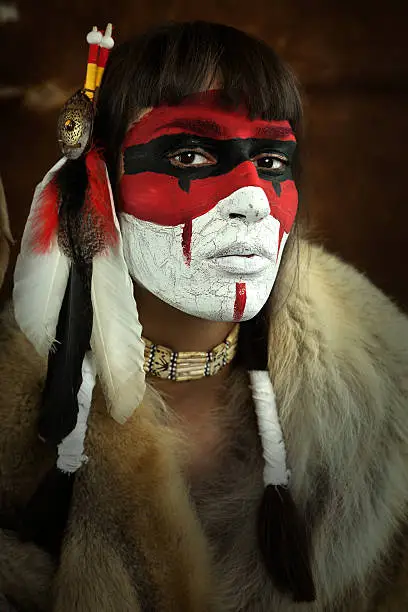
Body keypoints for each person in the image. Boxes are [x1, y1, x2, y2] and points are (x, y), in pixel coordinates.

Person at [1, 20, 408, 612]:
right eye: (189, 154)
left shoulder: (389, 391)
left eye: (271, 161)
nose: (250, 201)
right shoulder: (18, 405)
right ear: (100, 182)